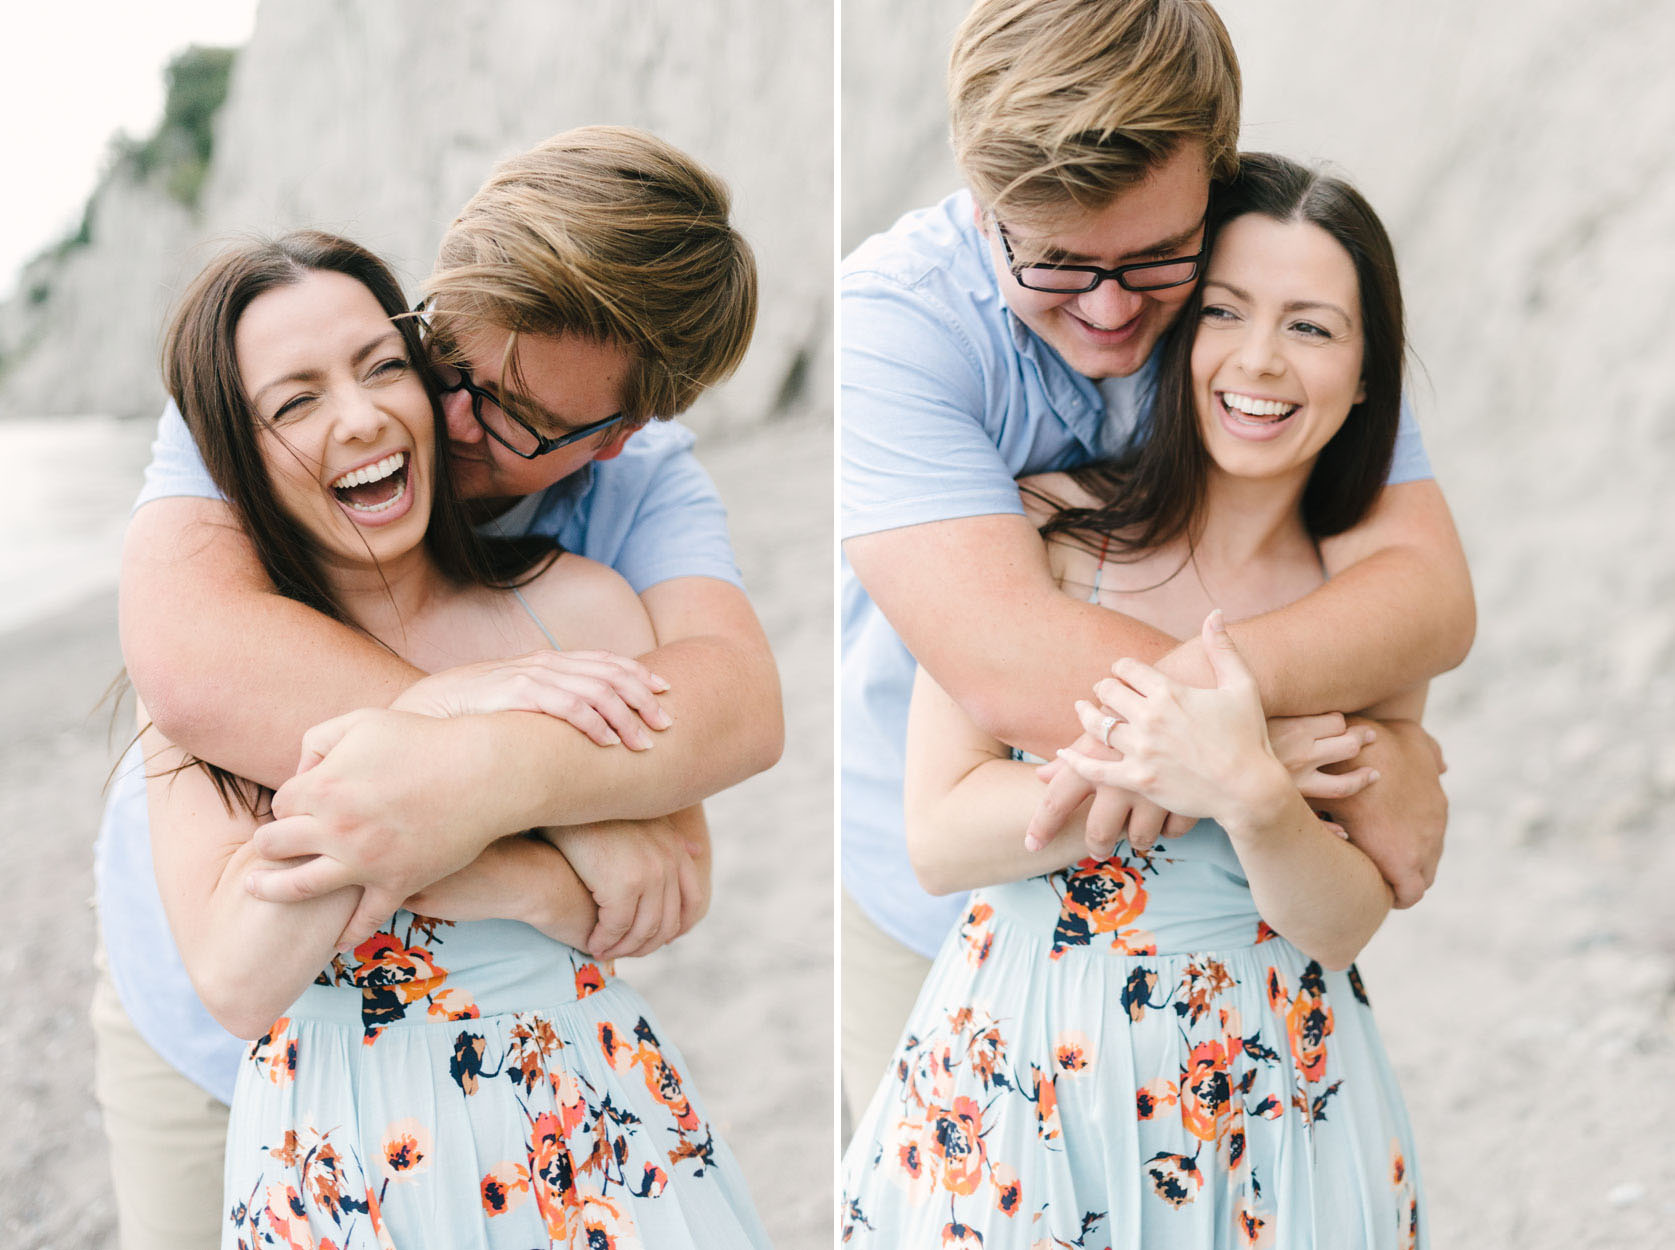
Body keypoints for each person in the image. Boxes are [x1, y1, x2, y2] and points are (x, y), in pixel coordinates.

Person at [94, 127, 781, 1249]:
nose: (442, 417)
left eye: (516, 415)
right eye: (446, 364)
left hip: (545, 1102)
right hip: (214, 1043)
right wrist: (510, 803)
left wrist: (473, 780)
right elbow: (188, 670)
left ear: (615, 435)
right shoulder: (277, 372)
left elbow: (732, 721)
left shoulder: (602, 561)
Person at [840, 0, 1469, 1112]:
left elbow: (1421, 595)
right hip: (943, 903)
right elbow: (1008, 667)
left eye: (1150, 259)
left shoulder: (1253, 284)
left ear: (1213, 177)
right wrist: (1272, 750)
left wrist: (1241, 754)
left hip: (1221, 921)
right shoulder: (894, 330)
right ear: (983, 201)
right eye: (1058, 264)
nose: (1111, 308)